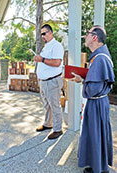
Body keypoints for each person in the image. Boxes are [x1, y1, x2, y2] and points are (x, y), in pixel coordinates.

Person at [71, 26, 114, 173]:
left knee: (96, 136)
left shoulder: (100, 58)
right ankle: (97, 165)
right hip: (98, 102)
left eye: (88, 34)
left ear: (94, 37)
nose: (85, 37)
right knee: (95, 135)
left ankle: (99, 169)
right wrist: (84, 77)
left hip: (96, 103)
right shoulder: (99, 55)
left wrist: (82, 81)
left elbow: (92, 89)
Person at [33, 24, 64, 139]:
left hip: (52, 81)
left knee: (55, 105)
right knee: (47, 105)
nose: (42, 36)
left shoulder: (56, 46)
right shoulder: (46, 47)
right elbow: (44, 62)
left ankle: (58, 129)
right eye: (41, 34)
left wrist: (42, 59)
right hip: (44, 81)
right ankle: (48, 124)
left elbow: (57, 63)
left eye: (44, 33)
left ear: (50, 33)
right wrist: (39, 60)